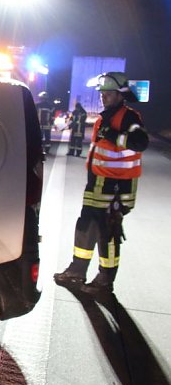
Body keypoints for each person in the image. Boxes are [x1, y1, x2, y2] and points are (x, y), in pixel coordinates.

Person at [53, 72, 148, 295]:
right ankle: (77, 271)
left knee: (108, 232)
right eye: (102, 93)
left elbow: (140, 142)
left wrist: (115, 136)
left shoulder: (128, 117)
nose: (103, 97)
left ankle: (105, 279)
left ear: (120, 95)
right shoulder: (106, 117)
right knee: (86, 227)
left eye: (108, 93)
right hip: (98, 185)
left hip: (115, 189)